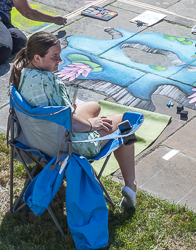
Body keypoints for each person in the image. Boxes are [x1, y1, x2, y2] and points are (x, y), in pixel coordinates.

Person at [10, 31, 138, 210]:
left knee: (93, 106)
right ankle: (131, 186)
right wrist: (92, 125)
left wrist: (74, 111)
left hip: (36, 141)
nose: (60, 61)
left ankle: (129, 186)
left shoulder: (22, 75)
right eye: (54, 57)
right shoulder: (52, 83)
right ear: (37, 58)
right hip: (66, 146)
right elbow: (73, 123)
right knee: (122, 122)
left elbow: (61, 113)